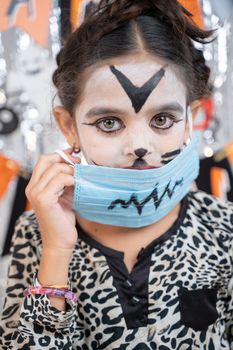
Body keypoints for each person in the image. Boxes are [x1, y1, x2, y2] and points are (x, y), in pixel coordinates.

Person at [1, 0, 233, 348]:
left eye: (162, 119)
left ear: (191, 119)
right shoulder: (36, 235)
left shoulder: (223, 229)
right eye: (109, 123)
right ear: (69, 127)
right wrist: (57, 251)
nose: (139, 146)